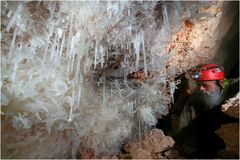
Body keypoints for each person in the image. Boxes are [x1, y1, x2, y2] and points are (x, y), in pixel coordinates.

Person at [171, 63, 239, 158]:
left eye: (205, 85)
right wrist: (177, 143)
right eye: (199, 84)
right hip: (211, 136)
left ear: (220, 83)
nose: (201, 88)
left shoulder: (234, 87)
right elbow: (185, 123)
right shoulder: (198, 97)